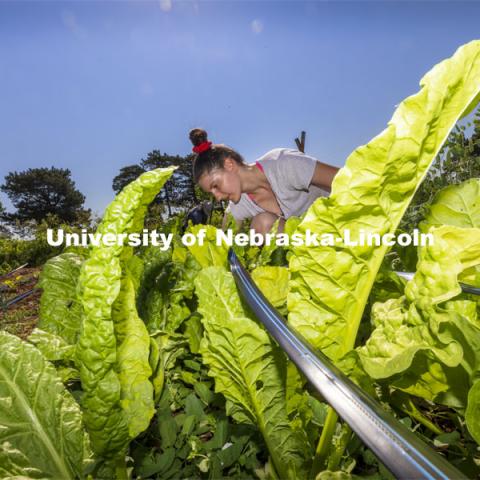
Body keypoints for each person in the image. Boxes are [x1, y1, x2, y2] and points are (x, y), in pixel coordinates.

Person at [189, 128, 339, 235]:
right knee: (263, 224)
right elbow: (225, 246)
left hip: (340, 225)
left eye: (216, 186)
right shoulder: (238, 205)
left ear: (229, 165)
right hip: (312, 248)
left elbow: (348, 180)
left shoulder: (282, 163)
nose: (217, 197)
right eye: (211, 192)